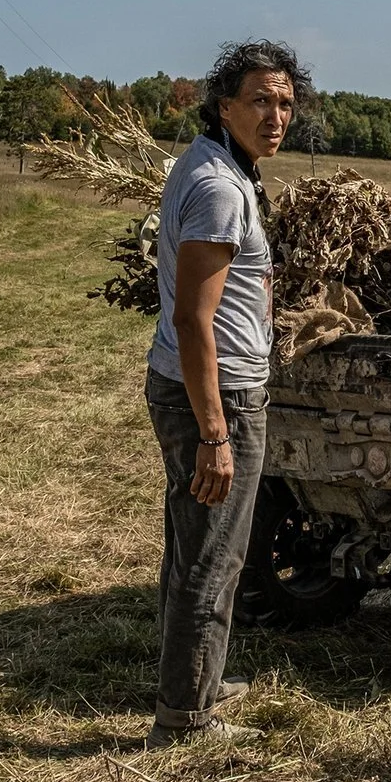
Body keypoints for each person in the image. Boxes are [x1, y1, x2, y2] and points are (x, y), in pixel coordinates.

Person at [143, 40, 308, 746]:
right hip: (220, 396)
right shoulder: (219, 187)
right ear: (224, 106)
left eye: (286, 103)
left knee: (194, 544)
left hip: (201, 385)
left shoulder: (218, 167)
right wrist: (215, 433)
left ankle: (194, 681)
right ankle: (185, 718)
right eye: (260, 101)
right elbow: (193, 318)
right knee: (214, 556)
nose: (276, 117)